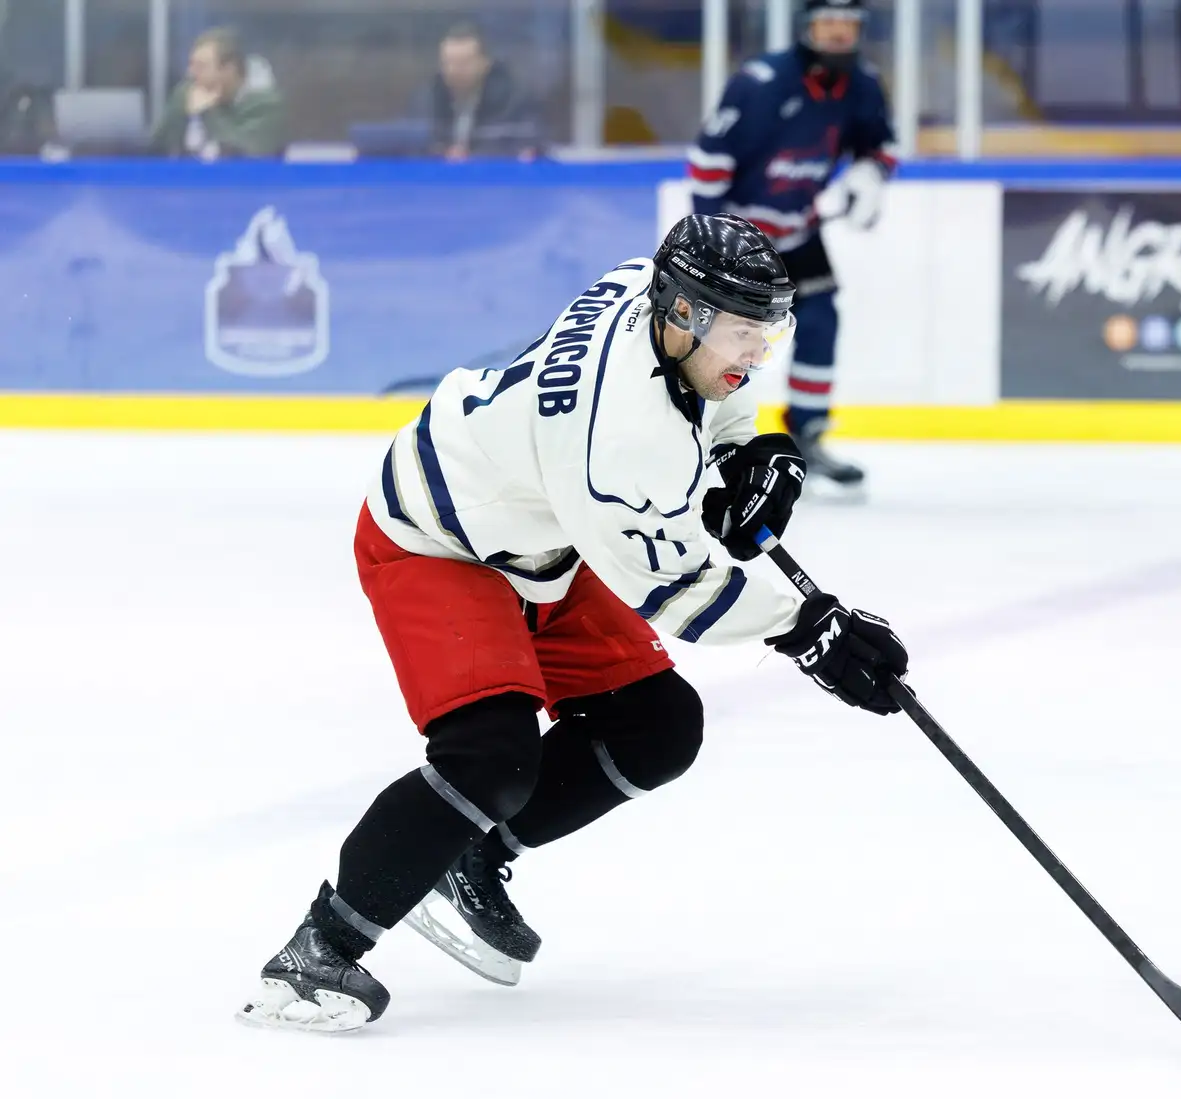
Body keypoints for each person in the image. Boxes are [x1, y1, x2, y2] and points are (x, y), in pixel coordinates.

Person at [237, 214, 911, 1033]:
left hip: (538, 530)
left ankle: (473, 854)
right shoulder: (616, 447)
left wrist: (740, 450)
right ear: (685, 313)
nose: (755, 354)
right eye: (743, 333)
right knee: (490, 756)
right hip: (437, 539)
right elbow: (681, 594)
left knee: (658, 726)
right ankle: (318, 951)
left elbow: (708, 397)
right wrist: (810, 629)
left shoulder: (649, 291)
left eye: (764, 332)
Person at [687, 0, 898, 500]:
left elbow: (880, 145)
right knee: (723, 338)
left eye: (848, 25)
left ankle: (808, 435)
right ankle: (700, 438)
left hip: (799, 232)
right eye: (828, 23)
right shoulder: (763, 83)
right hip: (742, 235)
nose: (838, 34)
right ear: (807, 28)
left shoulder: (863, 85)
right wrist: (716, 240)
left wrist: (869, 174)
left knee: (820, 318)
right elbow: (708, 161)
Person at [151, 27, 286, 159]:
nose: (191, 74)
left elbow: (247, 155)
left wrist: (207, 113)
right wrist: (179, 111)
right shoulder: (186, 93)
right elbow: (154, 148)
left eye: (201, 67)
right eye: (191, 65)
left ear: (229, 69)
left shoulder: (268, 107)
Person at [422, 21, 539, 160]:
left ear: (485, 63)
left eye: (463, 63)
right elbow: (414, 143)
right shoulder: (427, 97)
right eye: (448, 62)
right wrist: (442, 152)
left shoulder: (512, 99)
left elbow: (522, 145)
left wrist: (471, 157)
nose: (454, 70)